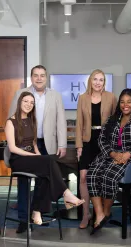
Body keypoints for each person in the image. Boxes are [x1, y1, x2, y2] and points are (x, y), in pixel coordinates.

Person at [5, 91, 84, 226]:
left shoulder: (31, 120)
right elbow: (12, 148)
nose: (29, 104)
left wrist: (39, 156)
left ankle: (37, 210)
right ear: (20, 102)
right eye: (26, 101)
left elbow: (34, 143)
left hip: (30, 158)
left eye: (32, 102)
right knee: (48, 163)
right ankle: (65, 194)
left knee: (48, 166)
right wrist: (35, 156)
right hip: (18, 159)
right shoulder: (10, 122)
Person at [86, 89, 131, 235]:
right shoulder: (112, 119)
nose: (125, 105)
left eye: (129, 101)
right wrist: (112, 153)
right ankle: (99, 214)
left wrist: (129, 154)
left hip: (130, 159)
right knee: (91, 174)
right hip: (110, 155)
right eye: (122, 102)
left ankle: (106, 211)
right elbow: (101, 139)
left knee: (108, 176)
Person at [8, 65, 67, 233]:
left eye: (42, 75)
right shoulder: (21, 94)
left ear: (46, 77)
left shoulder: (55, 95)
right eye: (36, 75)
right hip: (25, 144)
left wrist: (62, 144)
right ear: (31, 77)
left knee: (44, 181)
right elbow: (11, 118)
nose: (39, 78)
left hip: (47, 143)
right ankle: (22, 219)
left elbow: (61, 120)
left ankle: (37, 212)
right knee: (24, 183)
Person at [76, 69, 116, 229]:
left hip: (105, 142)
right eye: (95, 79)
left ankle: (101, 212)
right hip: (88, 141)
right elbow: (79, 122)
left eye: (101, 80)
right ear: (90, 81)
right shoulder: (82, 98)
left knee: (101, 177)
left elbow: (116, 122)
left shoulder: (111, 97)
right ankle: (86, 215)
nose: (98, 82)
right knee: (84, 177)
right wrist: (79, 145)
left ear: (104, 82)